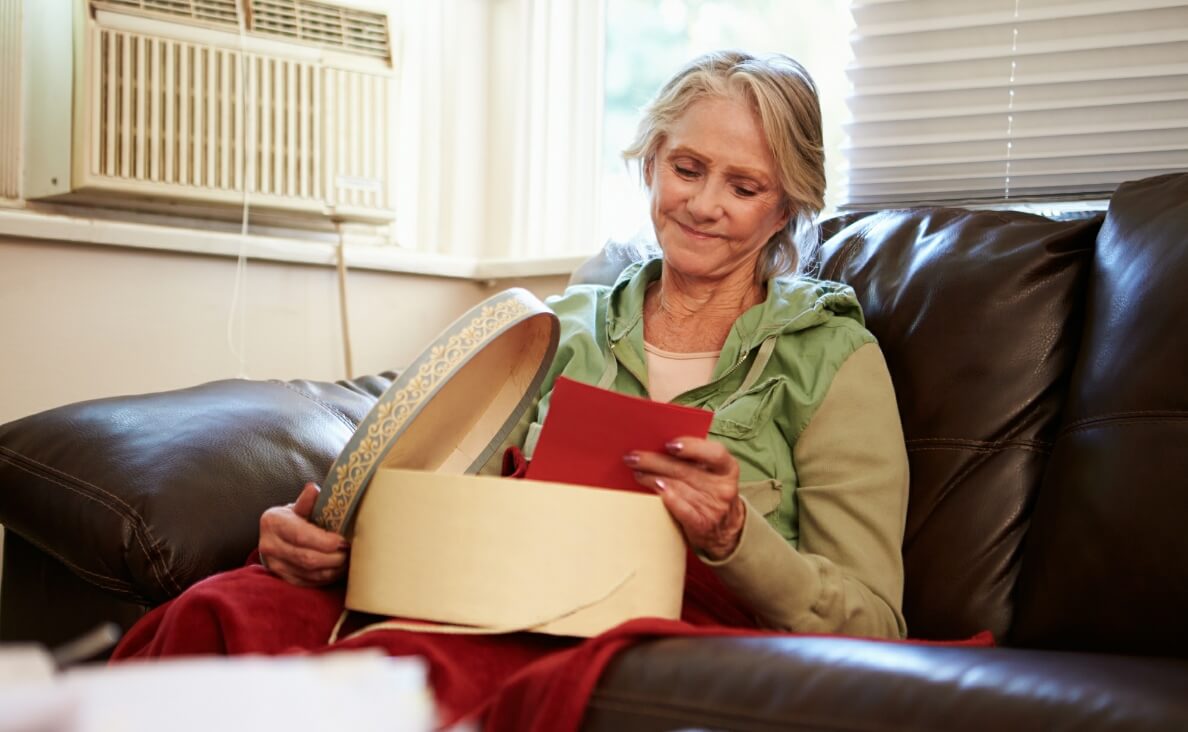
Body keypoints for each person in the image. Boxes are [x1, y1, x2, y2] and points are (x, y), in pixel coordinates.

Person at [256, 50, 908, 639]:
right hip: (505, 604)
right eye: (687, 168)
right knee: (238, 605)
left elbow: (876, 623)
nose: (705, 205)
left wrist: (734, 535)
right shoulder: (554, 332)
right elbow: (438, 505)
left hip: (682, 645)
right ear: (651, 162)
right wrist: (317, 537)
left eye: (743, 188)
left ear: (785, 209)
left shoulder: (833, 360)